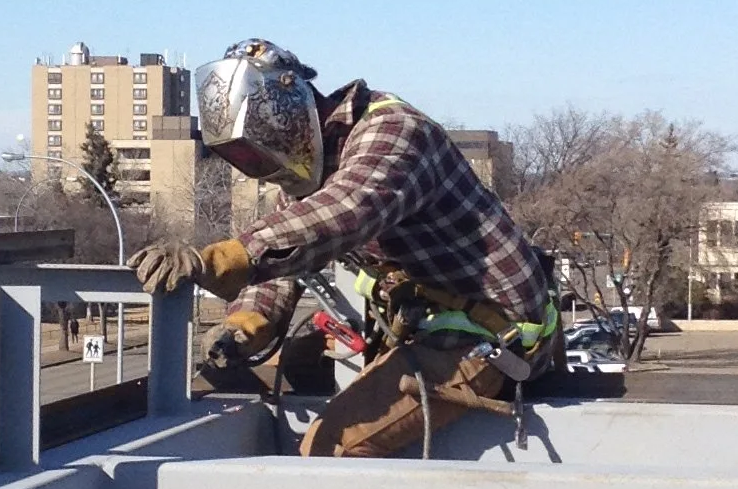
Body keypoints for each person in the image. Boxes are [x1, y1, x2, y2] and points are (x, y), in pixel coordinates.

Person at [129, 41, 559, 458]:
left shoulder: (395, 133)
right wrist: (246, 322)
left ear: (287, 111)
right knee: (298, 369)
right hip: (429, 327)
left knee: (330, 444)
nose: (265, 169)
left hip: (490, 337)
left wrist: (221, 261)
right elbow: (286, 263)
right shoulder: (311, 173)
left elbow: (346, 211)